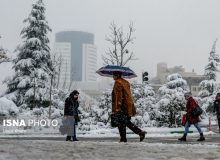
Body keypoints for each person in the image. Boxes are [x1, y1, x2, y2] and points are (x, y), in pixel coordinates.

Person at [112, 71, 146, 142]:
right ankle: (123, 138)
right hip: (127, 106)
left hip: (121, 106)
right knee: (123, 122)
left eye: (114, 75)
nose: (113, 76)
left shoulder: (118, 82)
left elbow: (119, 96)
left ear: (117, 75)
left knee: (125, 122)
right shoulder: (125, 82)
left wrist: (117, 107)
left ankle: (140, 132)